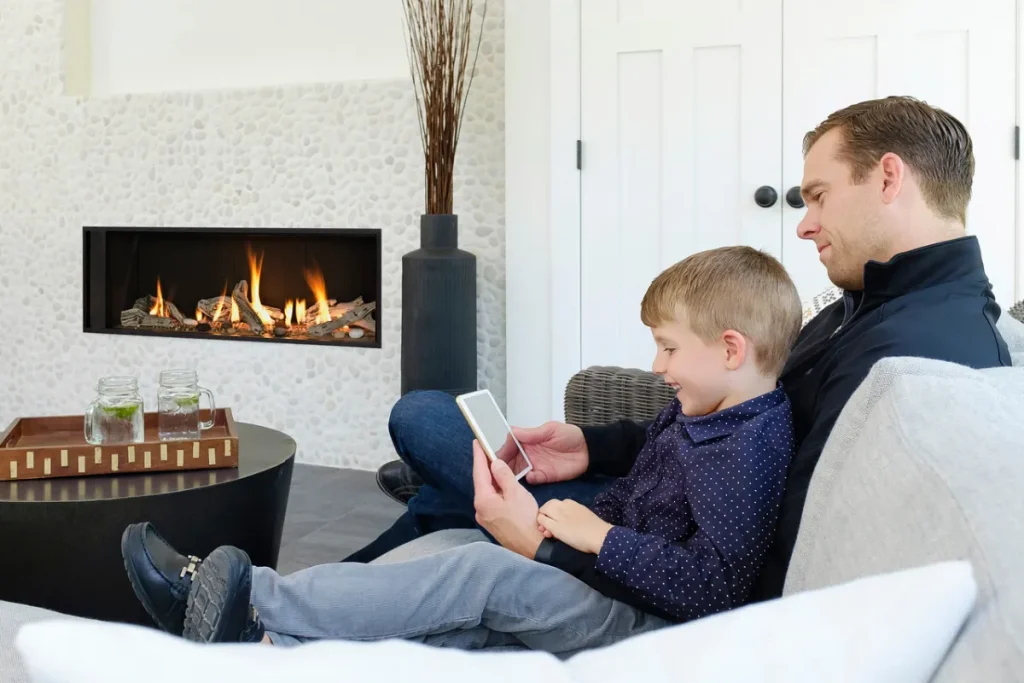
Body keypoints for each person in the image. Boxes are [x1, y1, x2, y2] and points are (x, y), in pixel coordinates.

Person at [365, 95, 1013, 601]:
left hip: (658, 539)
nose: (805, 221)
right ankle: (300, 612)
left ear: (889, 178)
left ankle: (295, 609)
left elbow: (754, 561)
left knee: (424, 419)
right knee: (456, 470)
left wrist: (560, 551)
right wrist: (595, 443)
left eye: (818, 195)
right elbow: (729, 417)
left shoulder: (921, 358)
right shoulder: (874, 302)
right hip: (658, 496)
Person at [122, 246, 803, 652]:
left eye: (669, 346)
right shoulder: (700, 412)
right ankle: (267, 643)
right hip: (616, 579)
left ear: (731, 348)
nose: (656, 365)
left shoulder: (744, 446)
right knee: (469, 605)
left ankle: (252, 600)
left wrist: (593, 538)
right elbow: (641, 491)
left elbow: (714, 586)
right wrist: (562, 520)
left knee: (480, 570)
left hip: (654, 626)